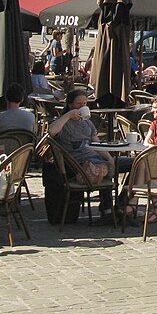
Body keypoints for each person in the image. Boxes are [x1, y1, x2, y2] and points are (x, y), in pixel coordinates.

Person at [48, 89, 115, 219]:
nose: (83, 107)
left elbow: (97, 143)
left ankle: (124, 204)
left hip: (96, 158)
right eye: (79, 104)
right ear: (70, 105)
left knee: (135, 164)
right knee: (102, 167)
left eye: (85, 103)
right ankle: (107, 210)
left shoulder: (87, 123)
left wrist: (109, 158)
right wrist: (68, 115)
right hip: (78, 163)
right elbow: (51, 132)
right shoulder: (64, 123)